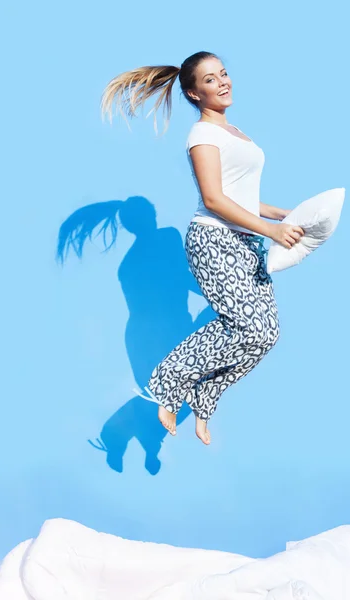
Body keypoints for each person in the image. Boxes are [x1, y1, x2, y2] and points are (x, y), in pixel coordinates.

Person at [101, 51, 304, 446]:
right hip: (215, 239)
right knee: (247, 326)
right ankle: (168, 384)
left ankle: (204, 396)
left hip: (247, 239)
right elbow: (214, 200)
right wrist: (272, 231)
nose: (223, 82)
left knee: (266, 334)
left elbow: (240, 196)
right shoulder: (202, 136)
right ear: (194, 94)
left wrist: (283, 214)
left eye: (224, 73)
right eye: (210, 80)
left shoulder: (236, 133)